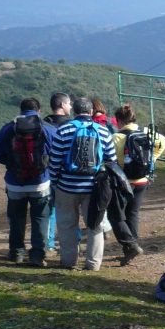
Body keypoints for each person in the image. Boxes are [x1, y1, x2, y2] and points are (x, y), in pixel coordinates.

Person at [49, 97, 117, 270]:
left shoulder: (63, 129)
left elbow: (55, 161)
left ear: (74, 111)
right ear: (92, 112)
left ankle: (69, 261)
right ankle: (93, 263)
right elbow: (112, 161)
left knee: (67, 225)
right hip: (94, 187)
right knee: (95, 225)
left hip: (66, 187)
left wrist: (56, 183)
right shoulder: (102, 131)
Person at [0, 97, 55, 267]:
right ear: (39, 110)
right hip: (41, 182)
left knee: (16, 218)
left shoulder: (8, 129)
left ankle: (16, 252)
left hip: (14, 183)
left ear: (20, 111)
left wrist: (13, 164)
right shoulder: (47, 129)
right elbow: (57, 152)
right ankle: (37, 255)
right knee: (41, 217)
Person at [111, 104, 165, 264]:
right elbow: (164, 140)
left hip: (123, 181)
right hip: (143, 180)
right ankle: (131, 248)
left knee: (117, 215)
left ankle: (130, 246)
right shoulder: (146, 133)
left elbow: (110, 158)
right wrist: (152, 159)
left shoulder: (117, 137)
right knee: (133, 213)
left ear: (119, 121)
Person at [43, 92, 73, 251]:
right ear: (62, 105)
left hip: (47, 173)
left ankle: (49, 244)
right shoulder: (71, 125)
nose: (71, 106)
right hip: (68, 175)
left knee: (50, 210)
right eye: (69, 104)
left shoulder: (44, 124)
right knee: (70, 213)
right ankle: (72, 244)